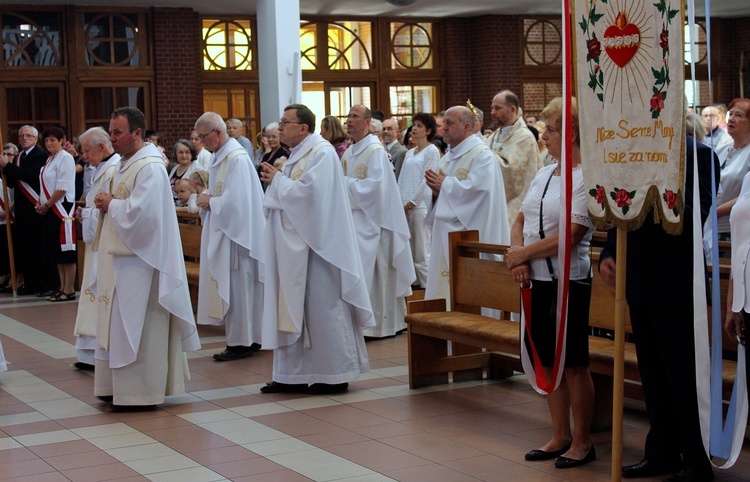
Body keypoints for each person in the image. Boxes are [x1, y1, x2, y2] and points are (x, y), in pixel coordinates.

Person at [599, 136, 719, 481]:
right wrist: (610, 252)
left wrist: (650, 196)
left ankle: (696, 458)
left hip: (677, 279)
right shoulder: (629, 153)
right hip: (638, 278)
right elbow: (619, 211)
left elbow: (696, 213)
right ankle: (662, 452)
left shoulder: (699, 155)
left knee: (683, 375)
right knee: (652, 374)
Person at [258, 103, 374, 395]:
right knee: (292, 306)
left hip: (319, 249)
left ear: (303, 128)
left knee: (323, 309)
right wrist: (279, 182)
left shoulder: (321, 153)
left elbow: (312, 197)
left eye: (286, 122)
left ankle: (332, 374)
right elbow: (279, 197)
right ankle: (290, 375)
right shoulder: (296, 155)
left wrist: (279, 180)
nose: (280, 127)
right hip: (293, 246)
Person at [506, 97, 596, 469]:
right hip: (537, 280)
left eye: (551, 129)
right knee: (547, 358)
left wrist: (524, 254)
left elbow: (572, 234)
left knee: (573, 362)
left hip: (568, 281)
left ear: (573, 134)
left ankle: (582, 441)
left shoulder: (586, 177)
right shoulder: (546, 173)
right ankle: (558, 434)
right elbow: (520, 221)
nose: (544, 135)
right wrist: (517, 255)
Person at [93, 107, 201, 411]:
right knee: (119, 323)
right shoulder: (126, 165)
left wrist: (112, 203)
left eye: (118, 132)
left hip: (144, 262)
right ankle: (117, 388)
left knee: (141, 326)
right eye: (111, 132)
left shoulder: (150, 167)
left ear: (137, 133)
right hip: (123, 260)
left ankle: (140, 392)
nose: (112, 139)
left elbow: (144, 216)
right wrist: (107, 203)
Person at [194, 111, 265, 362]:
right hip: (228, 232)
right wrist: (207, 200)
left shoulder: (236, 159)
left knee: (240, 289)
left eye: (204, 137)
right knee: (239, 289)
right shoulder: (219, 158)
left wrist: (210, 201)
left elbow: (239, 203)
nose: (202, 142)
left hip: (239, 237)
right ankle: (248, 338)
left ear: (217, 132)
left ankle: (242, 342)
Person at [424, 106, 510, 304]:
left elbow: (479, 194)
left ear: (467, 126)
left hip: (470, 233)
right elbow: (448, 194)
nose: (443, 128)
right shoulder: (448, 158)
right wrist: (437, 193)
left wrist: (445, 186)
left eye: (449, 123)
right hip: (445, 233)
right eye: (443, 123)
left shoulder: (482, 156)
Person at [342, 104, 415, 338]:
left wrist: (343, 183)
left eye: (354, 117)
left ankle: (380, 325)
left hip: (376, 224)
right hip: (354, 222)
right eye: (348, 116)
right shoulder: (348, 152)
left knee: (377, 274)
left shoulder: (375, 151)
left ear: (367, 122)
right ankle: (361, 321)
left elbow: (376, 190)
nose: (349, 120)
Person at [73, 127, 120, 371]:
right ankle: (88, 351)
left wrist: (89, 213)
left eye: (87, 151)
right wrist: (87, 212)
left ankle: (95, 351)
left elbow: (112, 207)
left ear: (102, 147)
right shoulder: (102, 168)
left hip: (105, 243)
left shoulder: (113, 169)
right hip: (96, 241)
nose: (84, 156)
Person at [0, 125, 57, 296]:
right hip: (21, 209)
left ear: (35, 138)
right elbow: (13, 181)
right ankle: (30, 284)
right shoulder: (18, 157)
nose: (24, 138)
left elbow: (31, 176)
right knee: (25, 248)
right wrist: (4, 170)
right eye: (21, 135)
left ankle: (43, 284)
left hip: (35, 207)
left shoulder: (39, 155)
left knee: (38, 248)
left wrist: (8, 167)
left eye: (28, 135)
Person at [486, 90, 543, 225]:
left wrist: (484, 156)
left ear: (512, 109)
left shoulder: (524, 137)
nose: (492, 112)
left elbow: (511, 169)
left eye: (498, 108)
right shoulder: (496, 134)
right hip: (493, 203)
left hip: (515, 203)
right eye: (492, 108)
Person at [398, 112, 440, 289]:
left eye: (419, 126)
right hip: (404, 206)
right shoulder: (409, 153)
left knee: (422, 250)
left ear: (428, 130)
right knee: (409, 248)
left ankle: (427, 288)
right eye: (413, 125)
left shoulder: (432, 151)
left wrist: (411, 203)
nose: (414, 128)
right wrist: (399, 202)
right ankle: (413, 286)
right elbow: (401, 179)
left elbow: (426, 181)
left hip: (420, 206)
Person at [36, 127, 77, 302]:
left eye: (53, 140)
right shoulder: (49, 160)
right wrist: (40, 202)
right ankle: (61, 287)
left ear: (62, 140)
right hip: (50, 208)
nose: (49, 143)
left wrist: (47, 204)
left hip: (62, 208)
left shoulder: (66, 158)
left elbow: (62, 187)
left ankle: (69, 289)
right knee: (56, 251)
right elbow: (44, 184)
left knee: (66, 250)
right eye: (46, 141)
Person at [0, 143, 17, 291]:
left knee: (12, 249)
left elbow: (17, 195)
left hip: (12, 217)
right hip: (1, 219)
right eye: (3, 154)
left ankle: (15, 278)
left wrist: (7, 210)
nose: (6, 157)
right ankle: (4, 276)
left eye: (9, 154)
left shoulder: (14, 172)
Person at [258, 122, 288, 190]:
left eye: (274, 137)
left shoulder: (284, 154)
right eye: (268, 137)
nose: (270, 139)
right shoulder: (266, 155)